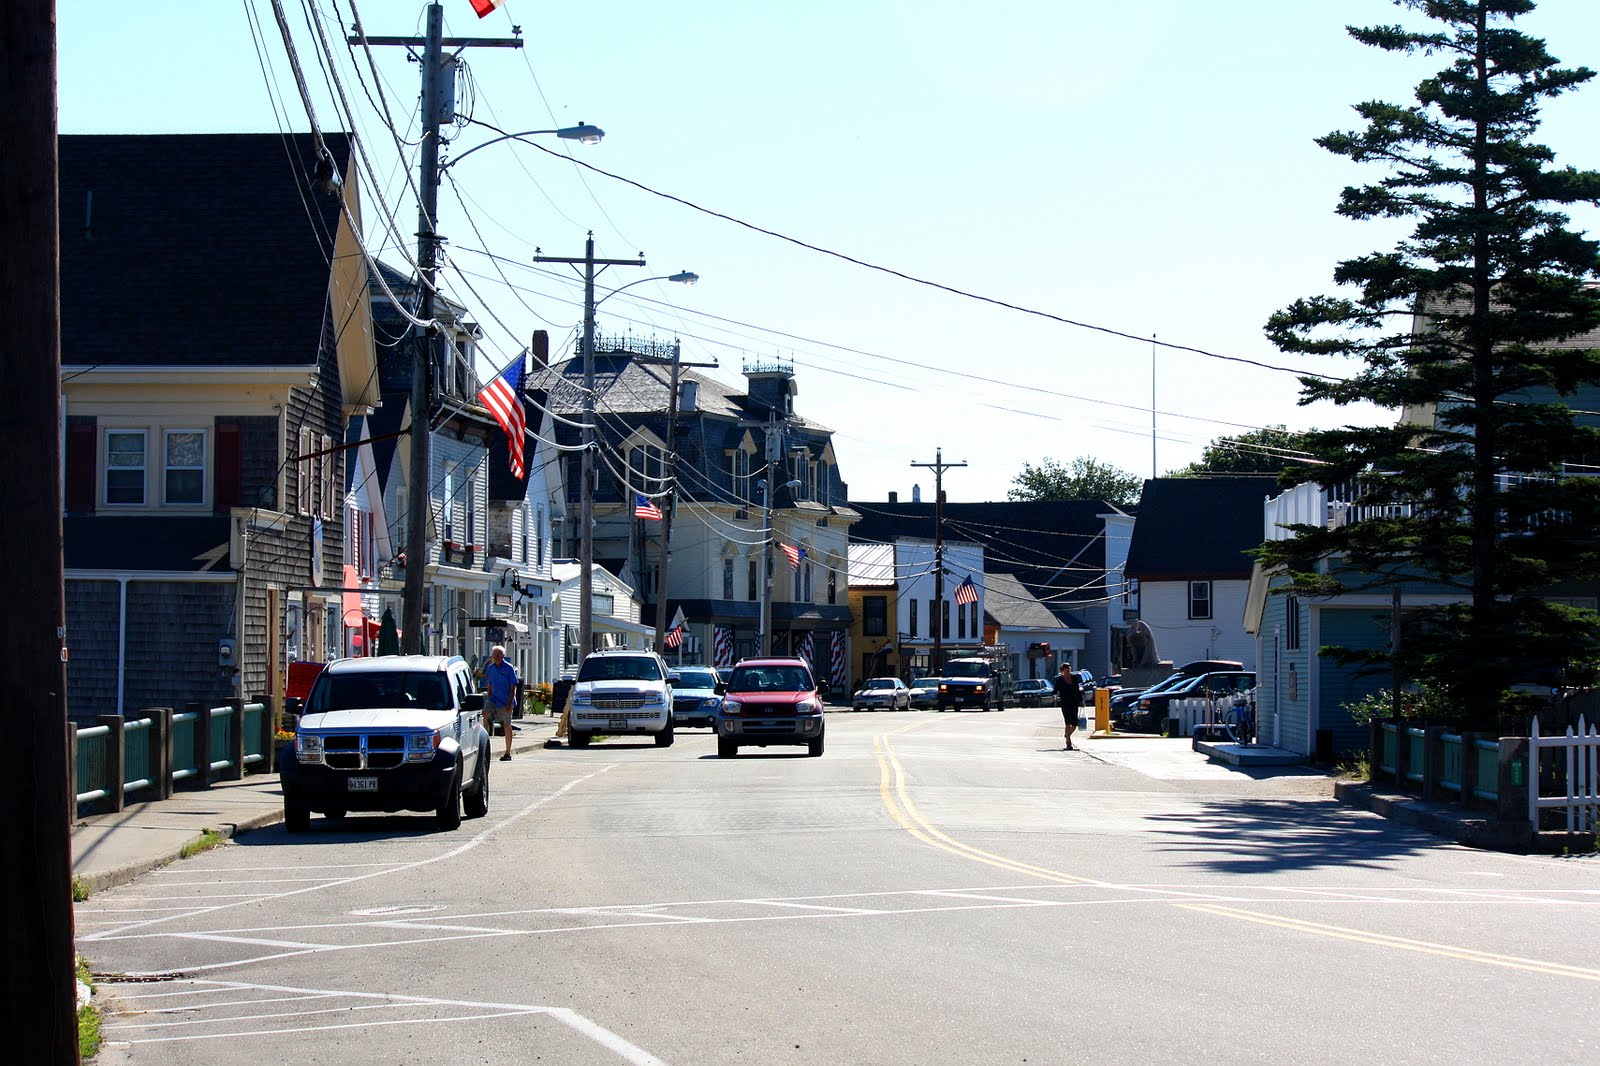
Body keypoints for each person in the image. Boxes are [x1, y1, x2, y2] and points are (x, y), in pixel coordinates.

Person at [481, 645, 519, 761]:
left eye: (499, 655)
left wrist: (509, 703)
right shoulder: (491, 668)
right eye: (495, 655)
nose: (497, 657)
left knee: (506, 724)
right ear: (492, 656)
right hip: (494, 698)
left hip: (506, 699)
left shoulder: (508, 668)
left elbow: (513, 687)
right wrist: (489, 697)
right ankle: (484, 745)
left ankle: (507, 752)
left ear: (503, 656)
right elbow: (490, 684)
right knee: (485, 713)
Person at [1052, 662, 1084, 750]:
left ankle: (1067, 735)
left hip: (1074, 702)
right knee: (1068, 722)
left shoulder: (1074, 678)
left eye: (1069, 669)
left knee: (1074, 723)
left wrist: (1081, 701)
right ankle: (1068, 743)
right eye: (1066, 670)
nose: (1068, 671)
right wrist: (1053, 696)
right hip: (1065, 703)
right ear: (1063, 671)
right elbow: (1055, 691)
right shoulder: (1059, 680)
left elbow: (1077, 690)